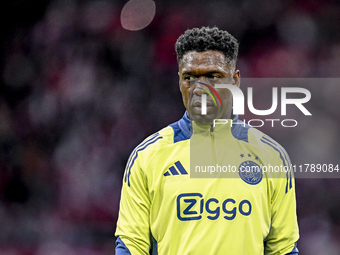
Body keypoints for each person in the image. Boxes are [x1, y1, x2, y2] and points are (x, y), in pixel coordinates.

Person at [115, 26, 299, 254]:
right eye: (190, 77)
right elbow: (131, 245)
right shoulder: (147, 156)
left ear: (235, 80)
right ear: (179, 81)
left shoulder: (272, 156)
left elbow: (283, 248)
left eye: (213, 76)